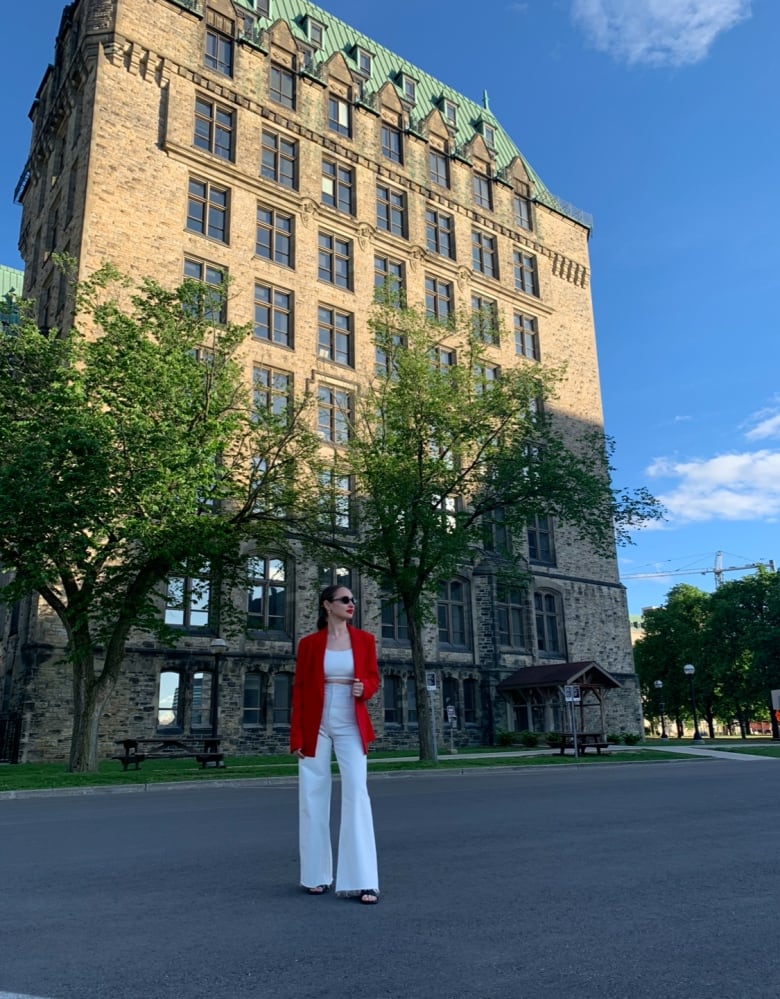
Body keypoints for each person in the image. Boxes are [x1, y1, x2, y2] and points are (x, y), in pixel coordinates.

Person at [290, 584, 380, 904]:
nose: (351, 604)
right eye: (344, 600)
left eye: (353, 600)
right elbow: (300, 690)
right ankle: (315, 876)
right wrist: (297, 736)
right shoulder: (310, 644)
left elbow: (373, 678)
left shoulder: (365, 641)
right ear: (327, 606)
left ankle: (364, 879)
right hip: (317, 724)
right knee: (313, 798)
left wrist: (364, 688)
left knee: (356, 794)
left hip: (350, 723)